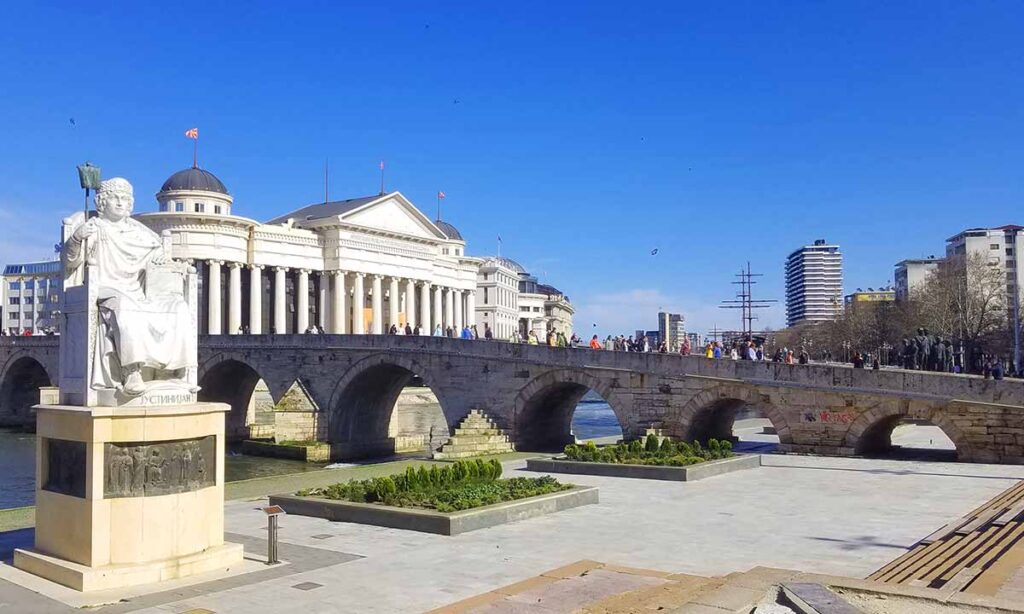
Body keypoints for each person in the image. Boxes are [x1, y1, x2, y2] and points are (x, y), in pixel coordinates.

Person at [63, 177, 195, 395]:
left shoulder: (143, 234)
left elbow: (158, 259)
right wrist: (76, 239)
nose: (120, 203)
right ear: (101, 202)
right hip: (106, 288)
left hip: (140, 292)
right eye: (115, 198)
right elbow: (70, 264)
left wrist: (163, 261)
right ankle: (131, 372)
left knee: (178, 307)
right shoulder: (94, 228)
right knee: (125, 307)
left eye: (125, 199)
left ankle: (173, 372)